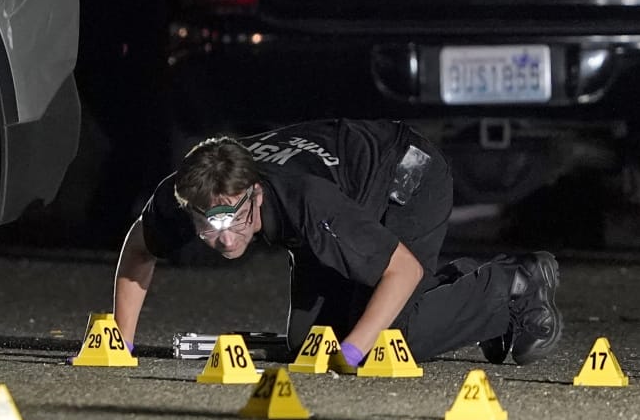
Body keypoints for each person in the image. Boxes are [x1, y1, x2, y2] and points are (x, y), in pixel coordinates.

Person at [113, 119, 563, 367]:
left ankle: (512, 288)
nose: (225, 237)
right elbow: (139, 247)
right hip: (341, 203)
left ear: (255, 192)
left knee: (387, 338)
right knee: (310, 342)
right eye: (208, 226)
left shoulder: (304, 200)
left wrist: (352, 353)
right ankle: (461, 291)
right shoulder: (189, 190)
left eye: (236, 218)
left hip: (406, 177)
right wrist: (121, 344)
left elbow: (401, 270)